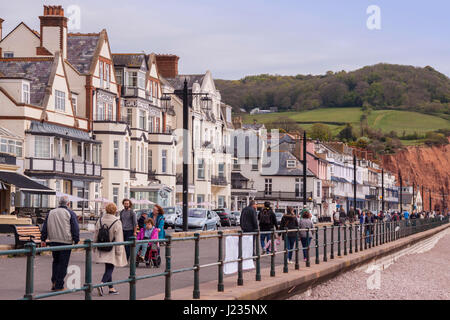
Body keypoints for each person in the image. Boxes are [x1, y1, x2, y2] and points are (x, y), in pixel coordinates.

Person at [41, 196, 80, 291]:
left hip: (53, 240)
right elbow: (75, 227)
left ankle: (54, 282)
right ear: (68, 204)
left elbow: (45, 226)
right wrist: (76, 240)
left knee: (56, 262)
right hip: (65, 241)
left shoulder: (51, 212)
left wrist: (43, 239)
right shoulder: (70, 213)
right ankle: (59, 285)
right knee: (63, 263)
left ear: (59, 203)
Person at [94, 202, 127, 296]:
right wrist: (119, 251)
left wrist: (94, 246)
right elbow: (119, 238)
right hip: (112, 247)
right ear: (115, 211)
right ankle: (102, 284)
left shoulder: (100, 220)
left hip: (101, 246)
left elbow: (96, 234)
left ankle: (111, 288)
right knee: (110, 268)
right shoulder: (117, 222)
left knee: (108, 267)